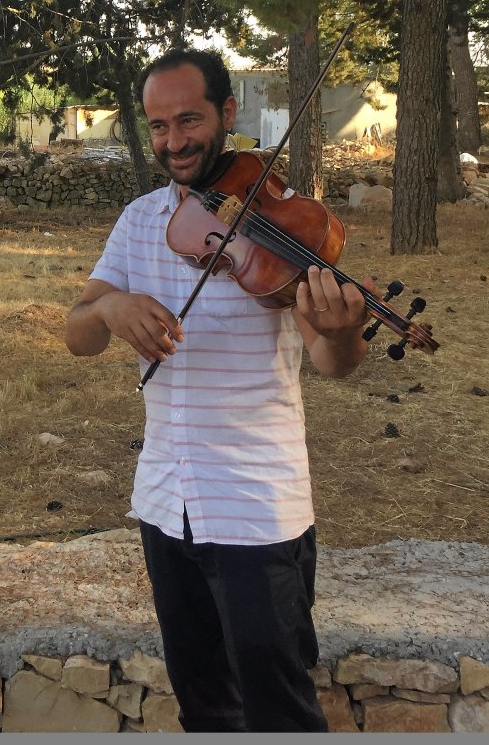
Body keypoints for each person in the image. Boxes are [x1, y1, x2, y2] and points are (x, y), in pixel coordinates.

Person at [65, 48, 372, 733]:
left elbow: (331, 358)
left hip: (255, 510)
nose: (174, 141)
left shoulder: (282, 225)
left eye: (189, 120)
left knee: (281, 712)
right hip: (165, 504)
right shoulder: (140, 220)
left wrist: (346, 330)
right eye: (159, 126)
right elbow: (76, 331)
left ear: (227, 115)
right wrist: (112, 310)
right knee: (206, 708)